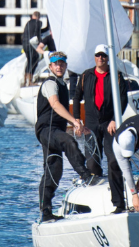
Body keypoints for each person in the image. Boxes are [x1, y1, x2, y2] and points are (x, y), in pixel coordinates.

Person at [36, 52, 98, 222]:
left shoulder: (63, 85)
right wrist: (74, 121)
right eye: (56, 64)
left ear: (65, 66)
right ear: (50, 67)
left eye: (62, 64)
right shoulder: (50, 84)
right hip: (46, 130)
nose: (59, 66)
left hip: (55, 130)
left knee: (54, 170)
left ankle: (46, 212)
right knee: (68, 140)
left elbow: (63, 112)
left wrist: (77, 124)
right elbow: (55, 105)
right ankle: (85, 175)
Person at [70, 44, 128, 211]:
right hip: (91, 123)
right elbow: (76, 97)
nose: (101, 58)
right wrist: (76, 120)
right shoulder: (86, 76)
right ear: (94, 57)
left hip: (109, 123)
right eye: (98, 55)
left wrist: (115, 120)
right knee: (92, 161)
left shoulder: (116, 76)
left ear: (107, 58)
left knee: (113, 159)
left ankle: (118, 202)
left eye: (104, 55)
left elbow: (123, 100)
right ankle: (95, 197)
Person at [22, 11, 47, 85]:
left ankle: (25, 80)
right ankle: (29, 81)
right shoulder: (38, 22)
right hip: (31, 44)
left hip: (25, 44)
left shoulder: (28, 23)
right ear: (39, 17)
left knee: (30, 61)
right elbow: (38, 34)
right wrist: (41, 44)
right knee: (35, 60)